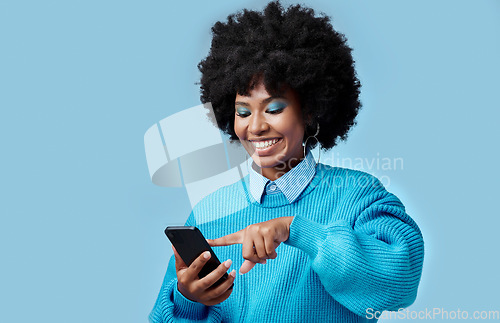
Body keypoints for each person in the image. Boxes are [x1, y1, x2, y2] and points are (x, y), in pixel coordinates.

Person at [149, 1, 424, 322]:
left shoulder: (359, 195)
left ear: (309, 109)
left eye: (274, 108)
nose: (255, 126)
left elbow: (400, 283)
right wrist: (189, 300)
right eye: (242, 111)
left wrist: (296, 230)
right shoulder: (209, 211)